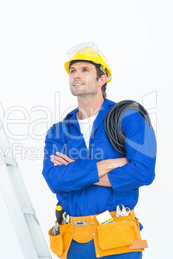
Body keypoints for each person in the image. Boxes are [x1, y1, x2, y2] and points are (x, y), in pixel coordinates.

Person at [42, 42, 157, 259]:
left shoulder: (129, 118)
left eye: (85, 70)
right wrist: (114, 163)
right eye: (73, 71)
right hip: (74, 241)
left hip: (119, 240)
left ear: (102, 79)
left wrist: (74, 171)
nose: (76, 75)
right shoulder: (58, 131)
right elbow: (54, 179)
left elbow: (143, 172)